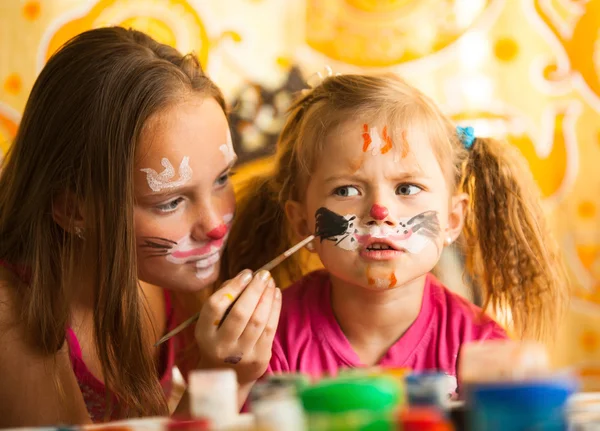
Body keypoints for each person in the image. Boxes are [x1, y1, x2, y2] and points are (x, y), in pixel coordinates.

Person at [0, 27, 280, 426]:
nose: (215, 225)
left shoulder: (159, 274)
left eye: (222, 179)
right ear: (74, 211)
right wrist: (221, 380)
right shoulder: (13, 318)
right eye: (171, 201)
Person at [222, 73, 569, 393]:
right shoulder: (267, 340)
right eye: (346, 190)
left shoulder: (481, 350)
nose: (379, 212)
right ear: (303, 224)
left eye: (406, 188)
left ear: (452, 220)